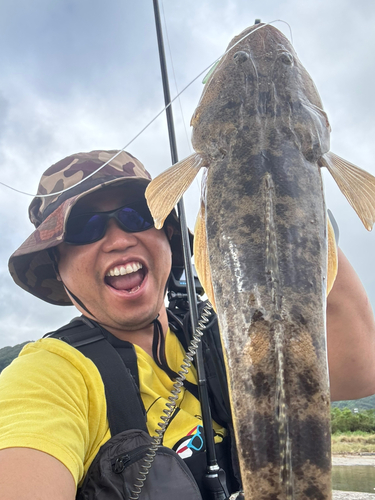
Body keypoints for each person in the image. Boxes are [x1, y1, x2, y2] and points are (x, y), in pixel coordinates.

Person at [0, 149, 375, 500]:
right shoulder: (47, 376)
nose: (118, 240)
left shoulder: (227, 335)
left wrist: (296, 196)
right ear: (56, 265)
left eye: (139, 215)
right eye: (83, 227)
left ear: (168, 235)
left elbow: (358, 373)